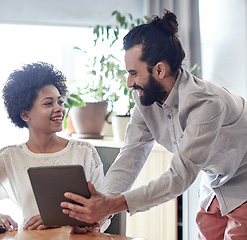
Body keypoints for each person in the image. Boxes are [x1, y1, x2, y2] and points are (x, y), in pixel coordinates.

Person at [61, 10, 247, 239]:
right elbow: (130, 156)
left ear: (159, 70)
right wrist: (99, 215)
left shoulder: (206, 104)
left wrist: (111, 205)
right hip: (214, 185)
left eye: (133, 73)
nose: (129, 82)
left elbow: (179, 177)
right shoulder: (145, 100)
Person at [0, 62, 108, 233]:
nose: (59, 108)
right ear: (25, 114)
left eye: (60, 102)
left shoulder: (84, 152)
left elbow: (103, 210)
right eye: (48, 104)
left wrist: (74, 224)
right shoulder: (9, 157)